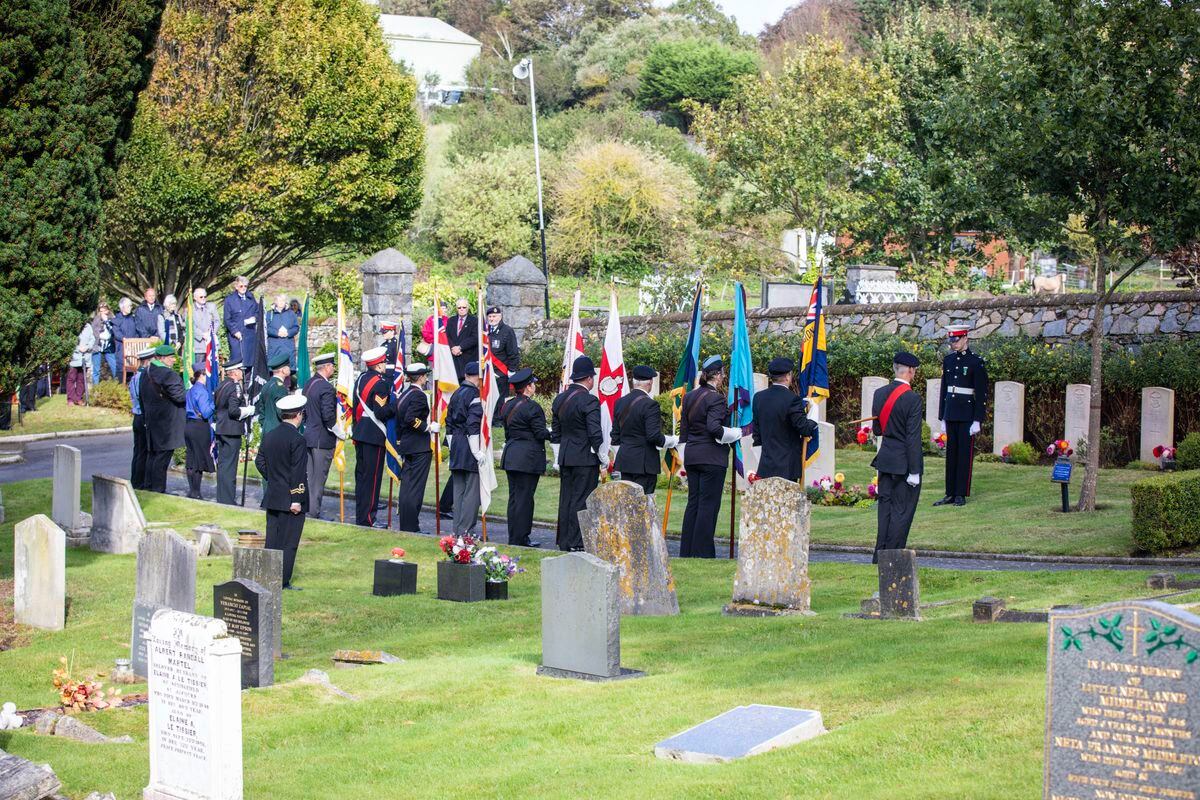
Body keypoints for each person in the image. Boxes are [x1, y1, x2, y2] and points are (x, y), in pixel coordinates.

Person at [679, 355, 743, 558]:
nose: (724, 378)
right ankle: (703, 552)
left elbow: (685, 432)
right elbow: (714, 428)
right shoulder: (716, 398)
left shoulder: (689, 397)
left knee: (694, 504)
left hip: (692, 455)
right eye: (723, 374)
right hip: (711, 458)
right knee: (708, 505)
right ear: (715, 376)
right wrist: (736, 433)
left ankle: (687, 550)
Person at [871, 352, 925, 561]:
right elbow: (912, 438)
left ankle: (880, 554)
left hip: (885, 460)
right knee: (901, 512)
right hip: (904, 463)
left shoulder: (879, 393)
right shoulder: (912, 398)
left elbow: (877, 430)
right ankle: (893, 557)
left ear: (895, 368)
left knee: (885, 510)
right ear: (910, 371)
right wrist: (914, 471)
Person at [255, 393, 309, 589]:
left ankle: (268, 577)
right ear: (298, 415)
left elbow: (259, 461)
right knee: (288, 542)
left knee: (272, 539)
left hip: (274, 495)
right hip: (290, 500)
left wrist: (274, 478)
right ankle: (282, 581)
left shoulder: (270, 435)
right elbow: (298, 472)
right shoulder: (298, 440)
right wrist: (296, 499)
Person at [551, 355, 603, 551]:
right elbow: (594, 432)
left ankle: (564, 540)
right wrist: (602, 454)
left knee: (566, 499)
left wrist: (557, 456)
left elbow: (556, 433)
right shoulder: (589, 401)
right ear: (589, 378)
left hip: (566, 455)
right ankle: (577, 541)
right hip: (584, 458)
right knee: (582, 500)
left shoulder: (560, 398)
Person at [935, 324, 989, 507]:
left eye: (956, 340)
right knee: (951, 454)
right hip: (951, 411)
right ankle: (949, 492)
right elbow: (944, 389)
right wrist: (942, 415)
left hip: (967, 413)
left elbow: (981, 393)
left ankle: (960, 493)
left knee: (964, 454)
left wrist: (977, 419)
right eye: (951, 341)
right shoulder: (948, 360)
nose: (953, 344)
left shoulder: (976, 362)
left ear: (966, 338)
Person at [499, 368, 550, 546]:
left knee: (514, 498)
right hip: (527, 457)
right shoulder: (532, 407)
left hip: (512, 454)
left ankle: (514, 535)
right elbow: (540, 433)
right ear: (528, 387)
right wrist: (552, 433)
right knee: (524, 499)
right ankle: (521, 537)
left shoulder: (507, 405)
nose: (534, 386)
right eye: (533, 384)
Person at [752, 357, 820, 482]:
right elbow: (804, 429)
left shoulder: (758, 398)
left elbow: (757, 434)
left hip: (765, 465)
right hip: (787, 467)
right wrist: (814, 413)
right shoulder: (792, 400)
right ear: (788, 376)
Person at [611, 365, 676, 495]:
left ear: (634, 381)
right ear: (650, 382)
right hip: (644, 465)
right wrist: (672, 440)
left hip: (625, 462)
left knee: (627, 505)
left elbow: (615, 435)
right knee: (642, 506)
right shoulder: (650, 404)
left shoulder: (620, 402)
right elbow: (653, 436)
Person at [351, 346, 395, 527]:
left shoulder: (361, 378)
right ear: (378, 366)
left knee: (362, 478)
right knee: (372, 479)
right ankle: (368, 518)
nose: (385, 365)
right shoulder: (381, 383)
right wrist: (396, 406)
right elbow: (380, 412)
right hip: (374, 435)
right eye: (383, 362)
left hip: (360, 431)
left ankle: (361, 515)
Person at [394, 362, 437, 533]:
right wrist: (427, 427)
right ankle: (412, 526)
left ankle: (407, 524)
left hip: (407, 444)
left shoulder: (405, 394)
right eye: (425, 376)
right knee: (415, 489)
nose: (427, 378)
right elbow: (410, 418)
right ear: (420, 377)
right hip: (418, 446)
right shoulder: (418, 395)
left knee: (407, 487)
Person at [139, 344, 186, 493]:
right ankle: (158, 489)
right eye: (172, 357)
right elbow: (180, 397)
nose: (174, 360)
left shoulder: (145, 373)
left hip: (152, 420)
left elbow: (141, 397)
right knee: (162, 457)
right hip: (167, 422)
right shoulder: (168, 375)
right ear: (162, 358)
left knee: (152, 455)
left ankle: (148, 485)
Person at [447, 361, 485, 536]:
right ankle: (467, 531)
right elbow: (473, 425)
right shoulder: (474, 394)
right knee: (472, 493)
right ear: (476, 376)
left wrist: (452, 444)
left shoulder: (456, 393)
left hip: (456, 442)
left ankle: (457, 531)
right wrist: (476, 451)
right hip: (469, 443)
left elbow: (448, 424)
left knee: (459, 491)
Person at [212, 359, 254, 505]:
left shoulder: (222, 385)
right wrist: (247, 411)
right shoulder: (235, 386)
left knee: (223, 465)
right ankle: (228, 499)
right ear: (235, 372)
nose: (242, 373)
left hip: (222, 428)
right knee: (230, 467)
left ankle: (222, 497)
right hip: (232, 430)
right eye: (240, 371)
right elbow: (234, 411)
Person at [302, 352, 338, 519]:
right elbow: (328, 415)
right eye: (332, 366)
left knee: (310, 477)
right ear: (327, 367)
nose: (334, 368)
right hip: (322, 439)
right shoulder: (326, 388)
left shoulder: (309, 384)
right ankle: (313, 511)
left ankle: (309, 508)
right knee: (318, 478)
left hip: (309, 435)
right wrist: (338, 430)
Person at [184, 362, 216, 499]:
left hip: (189, 425)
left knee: (191, 459)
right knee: (198, 460)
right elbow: (206, 412)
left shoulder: (190, 390)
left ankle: (192, 490)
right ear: (202, 375)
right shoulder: (202, 391)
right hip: (199, 426)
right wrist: (214, 404)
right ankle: (196, 492)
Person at [485, 306, 519, 416]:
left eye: (494, 316)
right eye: (489, 316)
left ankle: (499, 418)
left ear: (500, 316)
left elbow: (513, 352)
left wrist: (512, 370)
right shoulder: (485, 331)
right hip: (488, 369)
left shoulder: (507, 331)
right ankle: (489, 416)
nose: (491, 319)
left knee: (500, 396)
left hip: (501, 371)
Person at [128, 347, 154, 489]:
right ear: (148, 361)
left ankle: (136, 480)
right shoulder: (143, 377)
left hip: (136, 416)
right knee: (143, 451)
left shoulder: (135, 376)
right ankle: (140, 482)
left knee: (138, 450)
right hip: (143, 416)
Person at [223, 276, 258, 365]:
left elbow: (258, 311)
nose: (243, 288)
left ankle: (248, 378)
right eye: (241, 286)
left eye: (245, 286)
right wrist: (235, 331)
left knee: (250, 362)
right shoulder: (229, 300)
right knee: (237, 362)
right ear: (236, 286)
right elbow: (227, 319)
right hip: (236, 336)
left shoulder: (251, 297)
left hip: (249, 333)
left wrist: (255, 318)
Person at [256, 352, 291, 437]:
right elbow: (282, 412)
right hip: (278, 431)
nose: (290, 369)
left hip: (266, 430)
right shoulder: (280, 388)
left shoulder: (267, 385)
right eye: (288, 367)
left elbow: (261, 411)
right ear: (283, 370)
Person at [445, 298, 478, 382]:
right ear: (456, 309)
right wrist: (453, 347)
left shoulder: (474, 321)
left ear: (468, 308)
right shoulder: (451, 320)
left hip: (467, 358)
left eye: (464, 307)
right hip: (453, 359)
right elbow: (447, 336)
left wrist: (460, 347)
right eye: (459, 307)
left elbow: (475, 338)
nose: (462, 309)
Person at [265, 294, 300, 373]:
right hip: (274, 349)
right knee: (275, 372)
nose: (281, 302)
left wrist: (288, 333)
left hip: (288, 348)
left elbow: (296, 327)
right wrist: (276, 333)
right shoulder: (269, 314)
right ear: (275, 302)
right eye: (279, 300)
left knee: (287, 373)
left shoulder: (291, 314)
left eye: (283, 300)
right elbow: (266, 328)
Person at [67, 321, 94, 405]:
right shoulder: (72, 325)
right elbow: (69, 340)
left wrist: (87, 347)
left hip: (85, 357)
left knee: (81, 379)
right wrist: (78, 348)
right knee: (71, 378)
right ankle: (71, 399)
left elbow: (92, 339)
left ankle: (79, 398)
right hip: (75, 357)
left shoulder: (88, 326)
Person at [111, 298, 138, 379]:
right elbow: (117, 333)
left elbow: (137, 331)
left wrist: (135, 340)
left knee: (132, 372)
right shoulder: (117, 319)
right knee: (121, 373)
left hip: (133, 349)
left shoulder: (133, 318)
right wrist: (125, 339)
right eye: (129, 306)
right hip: (122, 350)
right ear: (122, 307)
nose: (131, 307)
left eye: (131, 306)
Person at [89, 304, 116, 383]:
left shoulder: (113, 319)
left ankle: (118, 387)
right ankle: (95, 390)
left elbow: (114, 332)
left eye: (104, 310)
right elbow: (93, 332)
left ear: (108, 310)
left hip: (109, 346)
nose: (102, 313)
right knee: (96, 370)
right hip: (97, 346)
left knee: (114, 367)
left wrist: (106, 321)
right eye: (101, 311)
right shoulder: (96, 320)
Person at [191, 288, 217, 362]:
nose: (203, 298)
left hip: (211, 342)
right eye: (201, 297)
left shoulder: (211, 306)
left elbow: (217, 321)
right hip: (198, 345)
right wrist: (202, 334)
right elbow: (191, 326)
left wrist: (211, 333)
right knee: (199, 369)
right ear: (195, 298)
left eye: (205, 297)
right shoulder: (190, 310)